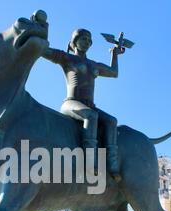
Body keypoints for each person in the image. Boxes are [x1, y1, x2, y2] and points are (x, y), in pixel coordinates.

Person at [43, 28, 125, 181]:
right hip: (71, 103)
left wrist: (114, 55)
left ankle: (112, 165)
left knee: (111, 121)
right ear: (74, 42)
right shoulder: (66, 58)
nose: (86, 42)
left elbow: (114, 73)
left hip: (89, 105)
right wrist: (40, 33)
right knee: (91, 116)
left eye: (89, 40)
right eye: (83, 39)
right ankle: (89, 162)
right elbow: (44, 51)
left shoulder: (93, 65)